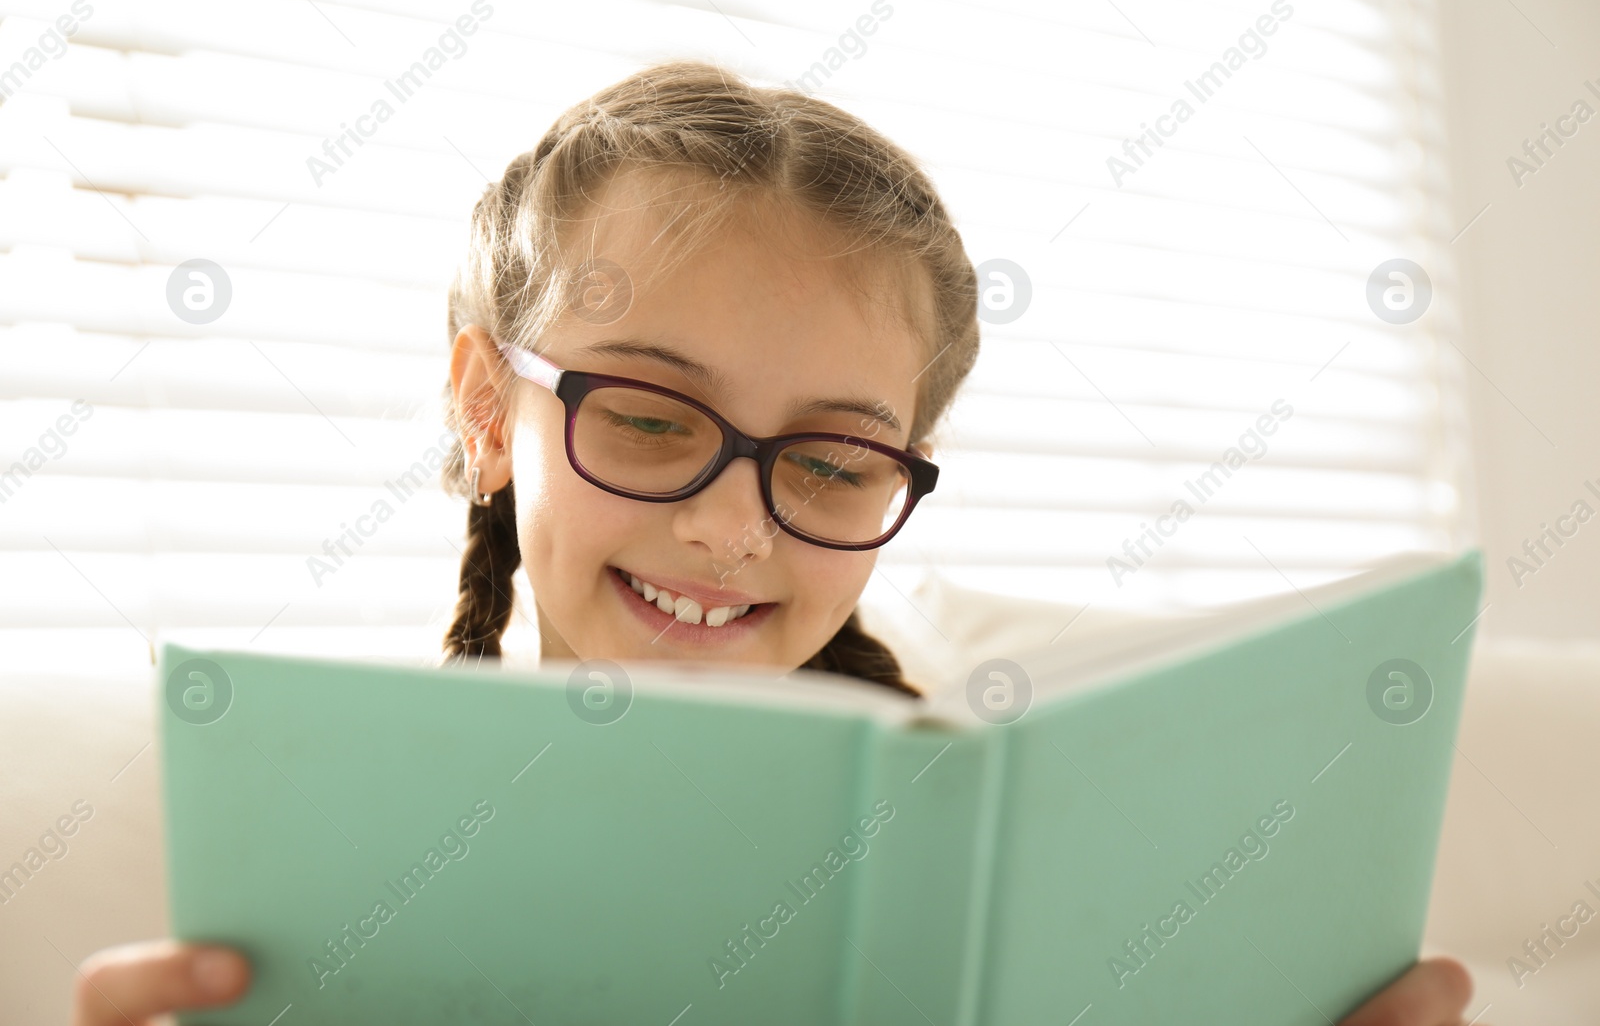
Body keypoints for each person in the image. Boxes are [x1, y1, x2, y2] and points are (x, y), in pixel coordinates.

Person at [68, 60, 1484, 1026]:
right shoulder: (327, 860)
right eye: (647, 415)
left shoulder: (1005, 877)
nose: (732, 526)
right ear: (491, 412)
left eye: (826, 460)